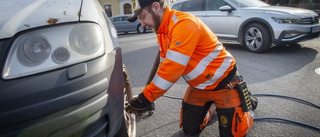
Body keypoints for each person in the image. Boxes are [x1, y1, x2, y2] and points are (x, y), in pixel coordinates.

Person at [126, 0, 258, 136]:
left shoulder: (184, 24)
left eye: (142, 17)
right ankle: (213, 106)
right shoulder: (162, 32)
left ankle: (247, 105)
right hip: (199, 88)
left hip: (224, 84)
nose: (142, 24)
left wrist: (145, 98)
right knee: (189, 129)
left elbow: (172, 70)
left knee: (234, 133)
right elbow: (165, 65)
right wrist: (149, 96)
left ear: (156, 7)